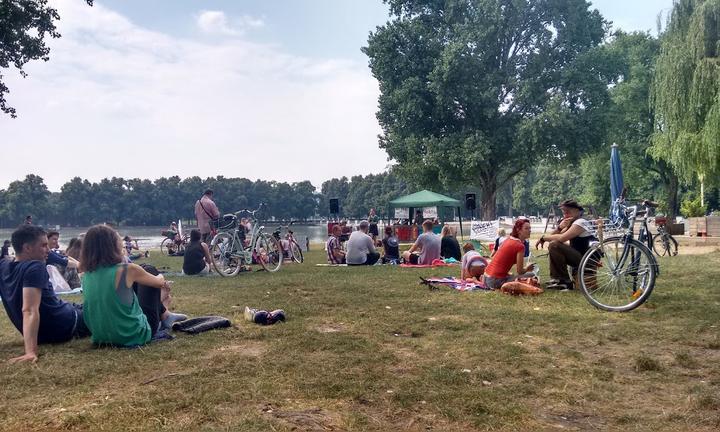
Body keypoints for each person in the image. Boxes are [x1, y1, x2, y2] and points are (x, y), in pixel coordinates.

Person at [81, 225, 187, 347]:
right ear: (112, 245)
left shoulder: (86, 275)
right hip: (133, 334)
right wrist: (162, 279)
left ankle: (165, 313)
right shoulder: (127, 270)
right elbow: (158, 282)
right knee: (149, 269)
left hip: (101, 336)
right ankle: (165, 314)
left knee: (136, 279)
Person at [0, 225, 91, 363]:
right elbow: (29, 309)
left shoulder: (3, 267)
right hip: (66, 325)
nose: (48, 250)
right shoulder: (34, 267)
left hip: (56, 320)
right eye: (43, 246)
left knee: (84, 305)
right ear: (27, 248)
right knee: (105, 309)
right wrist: (30, 352)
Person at [535, 199, 595, 290]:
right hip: (582, 257)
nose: (565, 215)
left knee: (555, 245)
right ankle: (557, 279)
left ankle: (564, 281)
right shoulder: (573, 222)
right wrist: (559, 227)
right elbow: (554, 236)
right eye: (564, 213)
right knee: (554, 245)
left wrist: (543, 238)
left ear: (577, 211)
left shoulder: (581, 222)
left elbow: (562, 238)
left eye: (568, 212)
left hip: (588, 260)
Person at [483, 219, 535, 290]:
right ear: (518, 230)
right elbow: (520, 271)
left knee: (513, 275)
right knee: (532, 275)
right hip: (494, 281)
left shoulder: (509, 239)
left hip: (486, 277)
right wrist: (527, 268)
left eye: (530, 228)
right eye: (526, 228)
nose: (529, 230)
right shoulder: (520, 246)